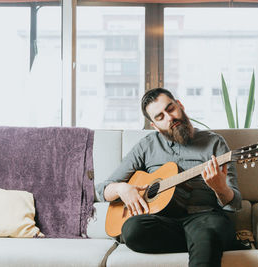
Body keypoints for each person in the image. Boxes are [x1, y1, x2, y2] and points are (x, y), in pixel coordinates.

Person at [97, 88, 242, 267]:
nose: (169, 118)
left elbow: (235, 203)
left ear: (180, 105)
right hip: (163, 223)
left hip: (205, 218)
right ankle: (201, 243)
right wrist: (122, 188)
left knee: (208, 232)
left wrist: (221, 188)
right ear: (155, 125)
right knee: (132, 229)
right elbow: (101, 189)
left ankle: (205, 241)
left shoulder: (215, 143)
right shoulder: (147, 146)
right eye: (160, 117)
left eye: (171, 109)